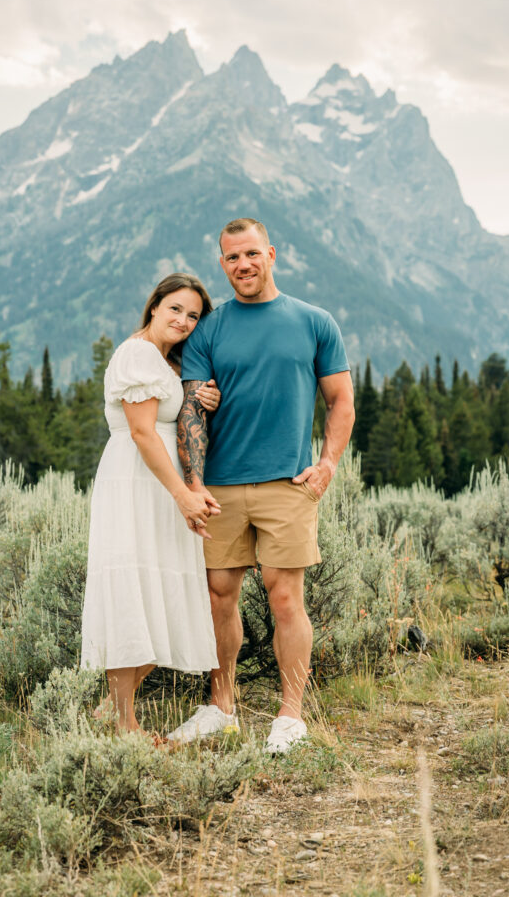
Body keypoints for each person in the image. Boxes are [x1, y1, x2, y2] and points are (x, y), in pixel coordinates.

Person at [170, 218, 355, 753]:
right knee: (218, 596)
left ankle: (290, 715)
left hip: (288, 485)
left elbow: (340, 399)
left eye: (251, 254)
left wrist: (328, 464)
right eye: (231, 258)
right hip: (221, 488)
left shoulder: (315, 322)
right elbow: (190, 412)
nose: (243, 266)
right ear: (222, 263)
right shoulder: (210, 329)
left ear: (271, 254)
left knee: (285, 596)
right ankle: (221, 707)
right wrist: (196, 483)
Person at [80, 273, 222, 734]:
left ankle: (109, 710)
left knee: (156, 596)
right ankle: (125, 725)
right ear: (155, 306)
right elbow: (142, 431)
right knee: (131, 593)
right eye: (176, 308)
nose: (183, 320)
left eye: (194, 315)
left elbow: (170, 417)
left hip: (161, 485)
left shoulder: (164, 361)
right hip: (137, 482)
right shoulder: (137, 353)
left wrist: (201, 397)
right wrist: (183, 494)